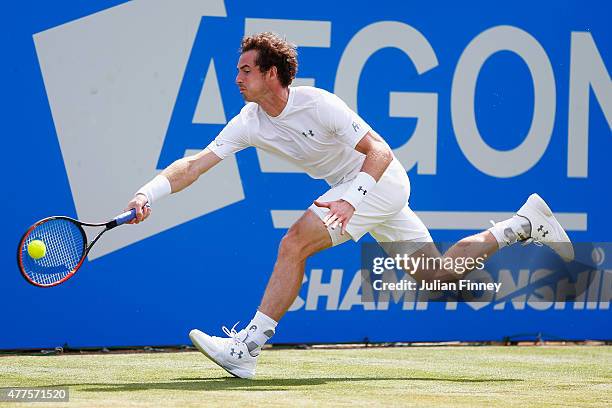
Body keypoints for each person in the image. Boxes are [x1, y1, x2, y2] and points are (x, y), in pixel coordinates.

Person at [125, 32, 573, 379]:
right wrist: (149, 193)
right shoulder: (250, 122)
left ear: (272, 74)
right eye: (238, 70)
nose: (237, 77)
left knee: (294, 242)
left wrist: (351, 200)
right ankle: (521, 223)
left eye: (246, 70)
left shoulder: (319, 105)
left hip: (377, 181)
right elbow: (195, 165)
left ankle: (248, 348)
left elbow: (380, 152)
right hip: (356, 189)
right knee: (436, 278)